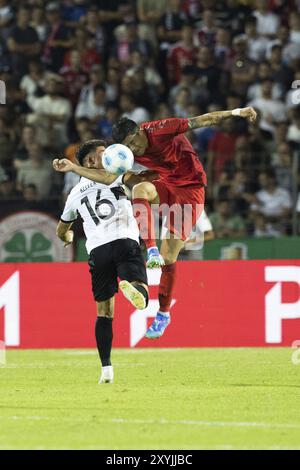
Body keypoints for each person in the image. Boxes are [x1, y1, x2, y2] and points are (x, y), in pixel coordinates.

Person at [56, 107, 257, 341]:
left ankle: (163, 313)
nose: (133, 150)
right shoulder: (122, 152)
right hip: (166, 185)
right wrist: (73, 168)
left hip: (190, 192)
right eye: (127, 147)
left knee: (170, 258)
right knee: (140, 189)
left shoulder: (163, 129)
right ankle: (150, 248)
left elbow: (203, 119)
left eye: (133, 143)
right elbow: (110, 177)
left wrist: (238, 112)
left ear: (140, 131)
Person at [53, 139, 156, 384]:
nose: (110, 155)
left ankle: (106, 369)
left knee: (104, 312)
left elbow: (62, 229)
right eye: (102, 153)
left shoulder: (75, 193)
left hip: (97, 252)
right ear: (90, 161)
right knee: (141, 291)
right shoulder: (115, 175)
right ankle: (135, 288)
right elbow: (143, 183)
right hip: (123, 241)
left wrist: (67, 236)